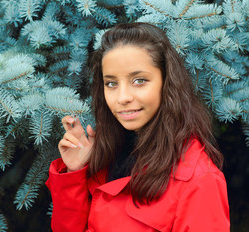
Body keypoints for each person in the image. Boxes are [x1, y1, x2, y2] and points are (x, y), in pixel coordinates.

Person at [46, 23, 230, 231]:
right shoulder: (105, 155)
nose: (123, 97)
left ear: (166, 82)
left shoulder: (199, 180)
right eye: (112, 83)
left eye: (139, 80)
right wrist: (75, 172)